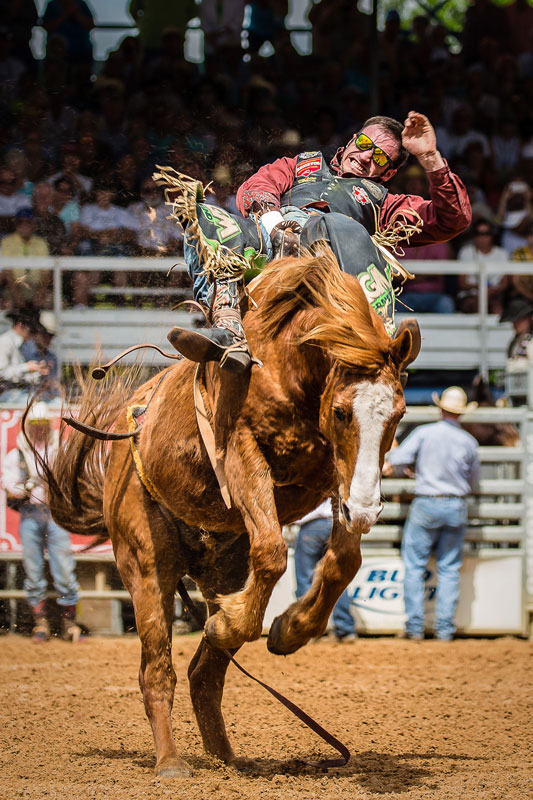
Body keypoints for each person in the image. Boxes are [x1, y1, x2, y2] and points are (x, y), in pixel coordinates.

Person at [166, 111, 471, 372]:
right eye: (365, 144)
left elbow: (452, 218)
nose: (367, 156)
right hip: (269, 237)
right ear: (351, 140)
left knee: (339, 224)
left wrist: (429, 158)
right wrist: (274, 224)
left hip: (331, 259)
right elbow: (258, 184)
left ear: (388, 172)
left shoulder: (385, 203)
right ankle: (226, 325)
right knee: (203, 215)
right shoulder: (303, 163)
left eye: (379, 157)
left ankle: (381, 341)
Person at [384, 386, 480, 641]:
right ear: (462, 413)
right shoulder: (469, 442)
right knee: (449, 568)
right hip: (456, 504)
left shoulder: (424, 433)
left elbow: (397, 459)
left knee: (415, 565)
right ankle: (445, 629)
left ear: (441, 409)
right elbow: (473, 481)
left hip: (427, 502)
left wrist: (414, 468)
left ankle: (415, 627)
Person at [1, 401, 82, 642]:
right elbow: (9, 485)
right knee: (33, 570)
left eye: (42, 424)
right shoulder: (18, 454)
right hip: (30, 514)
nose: (39, 429)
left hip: (55, 513)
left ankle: (69, 624)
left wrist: (51, 483)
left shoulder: (59, 449)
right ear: (29, 426)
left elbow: (71, 477)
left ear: (48, 425)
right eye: (35, 424)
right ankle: (41, 623)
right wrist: (27, 486)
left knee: (64, 569)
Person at [294, 500, 357, 643]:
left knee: (305, 579)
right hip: (337, 524)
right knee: (337, 579)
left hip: (311, 525)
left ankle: (307, 629)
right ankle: (345, 628)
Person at [0, 208, 52, 308]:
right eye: (20, 222)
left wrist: (41, 293)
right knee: (7, 304)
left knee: (56, 303)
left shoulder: (41, 243)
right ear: (15, 224)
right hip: (14, 286)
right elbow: (7, 272)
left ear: (33, 224)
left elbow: (46, 273)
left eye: (28, 222)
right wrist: (17, 295)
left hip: (36, 286)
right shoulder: (7, 242)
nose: (24, 225)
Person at [456, 219, 508, 314]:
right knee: (476, 305)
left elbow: (504, 283)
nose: (482, 237)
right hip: (470, 295)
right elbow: (462, 283)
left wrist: (492, 291)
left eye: (486, 233)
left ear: (492, 235)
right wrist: (482, 288)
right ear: (474, 236)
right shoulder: (466, 252)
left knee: (498, 310)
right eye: (478, 233)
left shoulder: (502, 254)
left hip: (494, 295)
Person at [0, 306, 49, 402]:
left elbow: (19, 377)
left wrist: (38, 372)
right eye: (31, 331)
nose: (32, 335)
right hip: (6, 394)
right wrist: (26, 367)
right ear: (20, 325)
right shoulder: (5, 342)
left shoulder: (19, 344)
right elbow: (1, 373)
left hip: (16, 393)